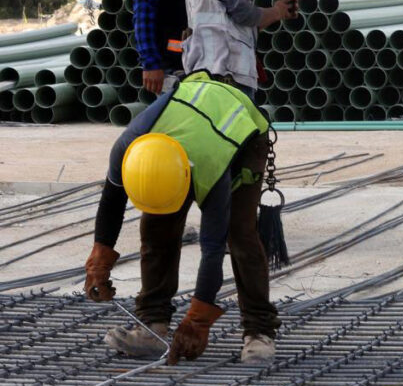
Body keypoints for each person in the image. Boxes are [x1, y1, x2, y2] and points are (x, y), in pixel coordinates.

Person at [83, 71, 279, 364]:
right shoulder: (128, 148)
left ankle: (259, 332)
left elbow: (212, 251)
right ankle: (153, 324)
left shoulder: (212, 172)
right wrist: (100, 259)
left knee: (240, 235)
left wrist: (198, 321)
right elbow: (111, 202)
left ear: (185, 178)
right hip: (189, 121)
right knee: (156, 229)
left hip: (243, 133)